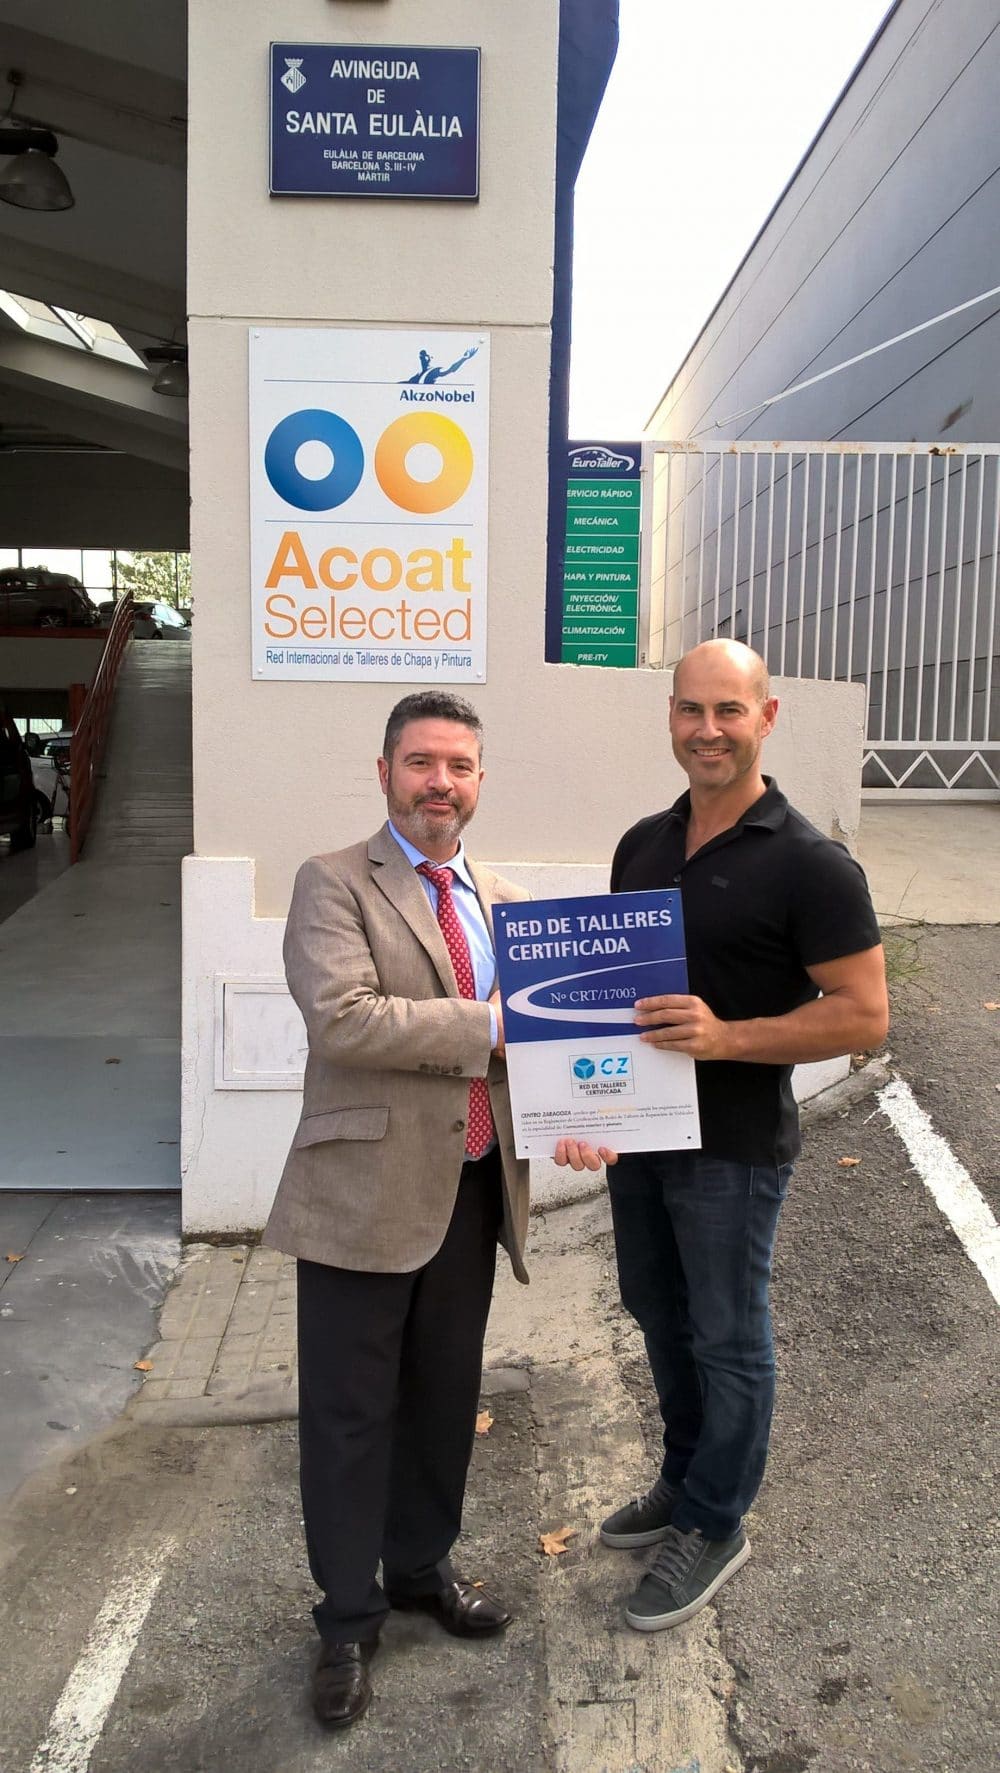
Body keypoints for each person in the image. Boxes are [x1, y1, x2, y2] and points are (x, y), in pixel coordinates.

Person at [556, 639, 888, 1633]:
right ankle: (685, 1476)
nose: (708, 730)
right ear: (670, 718)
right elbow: (613, 1002)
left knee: (728, 1336)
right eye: (691, 711)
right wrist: (578, 1104)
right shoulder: (641, 846)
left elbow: (865, 1016)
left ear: (766, 717)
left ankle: (715, 1521)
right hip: (641, 1135)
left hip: (732, 1149)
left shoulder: (811, 863)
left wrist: (728, 1036)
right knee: (656, 1311)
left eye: (728, 712)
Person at [264, 691, 530, 1729]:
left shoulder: (503, 901)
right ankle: (345, 1617)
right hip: (360, 1200)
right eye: (421, 764)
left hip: (469, 1191)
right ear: (384, 774)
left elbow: (539, 1052)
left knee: (438, 1402)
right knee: (347, 1415)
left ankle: (420, 1567)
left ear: (478, 781)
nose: (440, 785)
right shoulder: (331, 882)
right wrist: (496, 1028)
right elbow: (345, 1021)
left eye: (458, 767)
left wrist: (591, 1104)